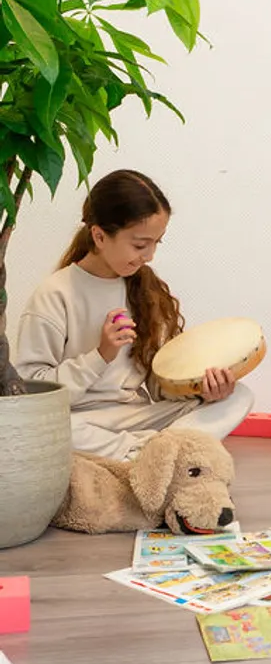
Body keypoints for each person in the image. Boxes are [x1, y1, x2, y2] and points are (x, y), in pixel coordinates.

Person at [15, 169, 254, 460]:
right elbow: (32, 393)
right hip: (79, 419)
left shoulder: (144, 289)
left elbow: (158, 385)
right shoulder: (55, 294)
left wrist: (204, 391)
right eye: (140, 245)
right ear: (100, 236)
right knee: (42, 431)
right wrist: (100, 355)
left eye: (157, 243)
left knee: (239, 396)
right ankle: (155, 453)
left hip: (136, 416)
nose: (149, 255)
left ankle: (148, 453)